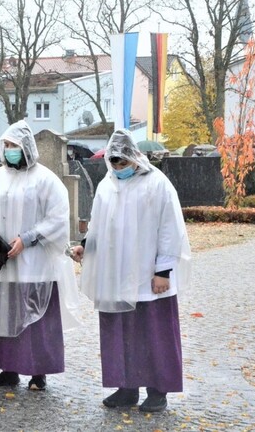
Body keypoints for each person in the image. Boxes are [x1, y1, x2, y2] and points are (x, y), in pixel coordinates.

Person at [69, 129, 191, 412]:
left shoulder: (158, 184)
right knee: (120, 334)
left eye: (123, 162)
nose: (118, 168)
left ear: (134, 157)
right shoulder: (106, 186)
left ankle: (158, 390)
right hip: (116, 275)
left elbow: (170, 229)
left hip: (149, 276)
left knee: (154, 334)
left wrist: (163, 271)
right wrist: (86, 247)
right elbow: (99, 224)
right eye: (114, 163)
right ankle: (126, 387)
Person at [0, 120, 80, 391]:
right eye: (6, 145)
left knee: (36, 318)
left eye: (15, 146)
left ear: (27, 148)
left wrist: (29, 238)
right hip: (0, 264)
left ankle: (38, 371)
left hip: (34, 264)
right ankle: (8, 368)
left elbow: (57, 218)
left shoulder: (45, 180)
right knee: (2, 315)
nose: (9, 150)